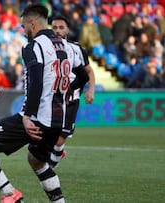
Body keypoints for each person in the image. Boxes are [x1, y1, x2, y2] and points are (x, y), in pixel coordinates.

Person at [0, 4, 86, 203]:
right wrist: (64, 93)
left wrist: (28, 116)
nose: (23, 31)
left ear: (32, 23)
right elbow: (82, 77)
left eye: (23, 26)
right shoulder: (68, 46)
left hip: (38, 118)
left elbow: (37, 82)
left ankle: (9, 193)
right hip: (58, 120)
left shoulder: (34, 45)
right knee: (37, 161)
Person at [49, 15, 95, 168]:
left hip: (71, 99)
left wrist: (91, 90)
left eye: (61, 27)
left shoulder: (76, 49)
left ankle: (49, 170)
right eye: (54, 27)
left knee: (61, 137)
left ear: (67, 29)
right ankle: (56, 154)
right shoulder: (46, 48)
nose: (57, 31)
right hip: (52, 98)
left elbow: (88, 72)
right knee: (48, 135)